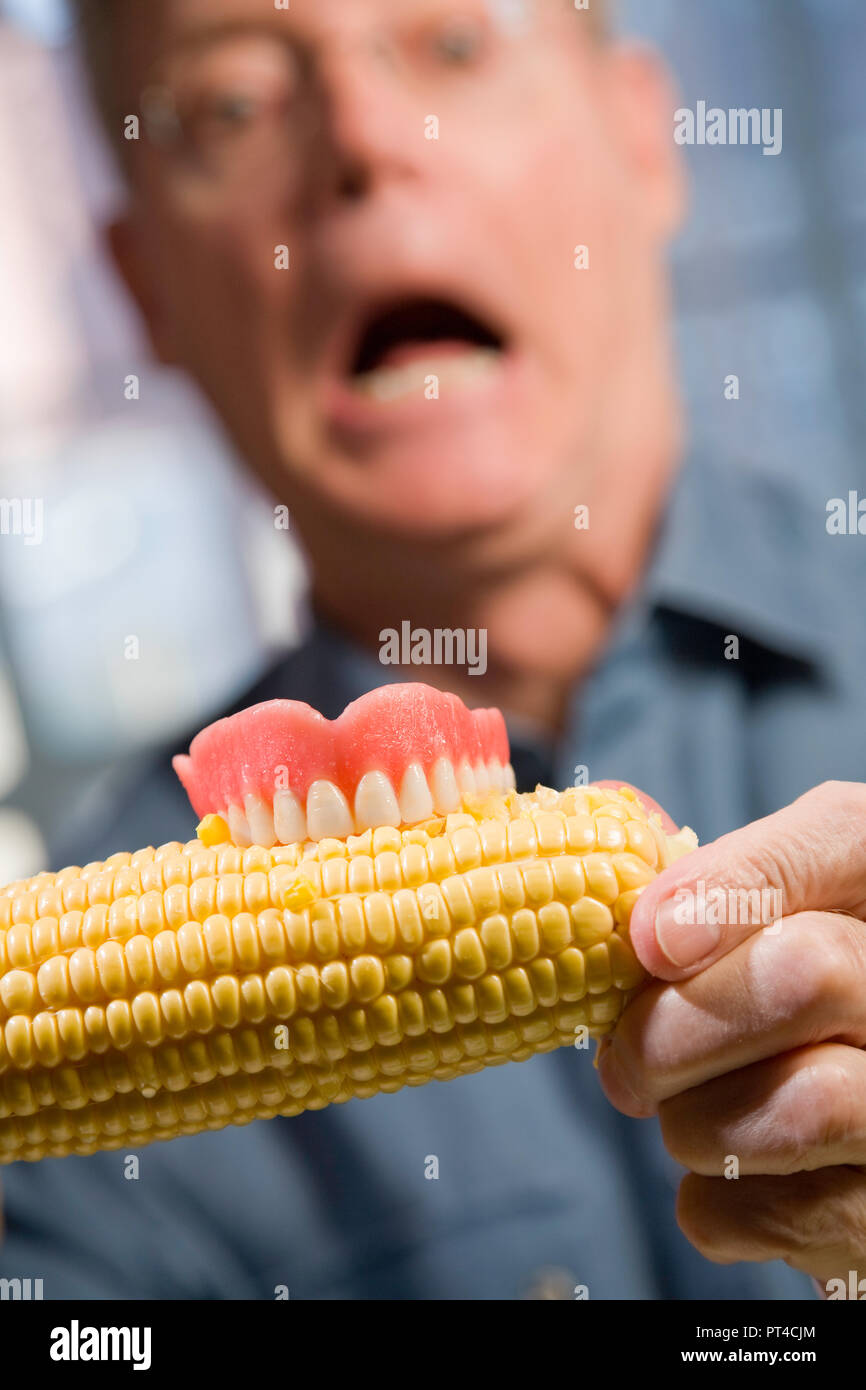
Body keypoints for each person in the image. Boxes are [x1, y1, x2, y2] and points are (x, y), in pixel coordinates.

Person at [1, 0, 863, 1300]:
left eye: (453, 43)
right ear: (144, 291)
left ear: (645, 140)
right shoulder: (53, 1180)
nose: (359, 140)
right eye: (230, 104)